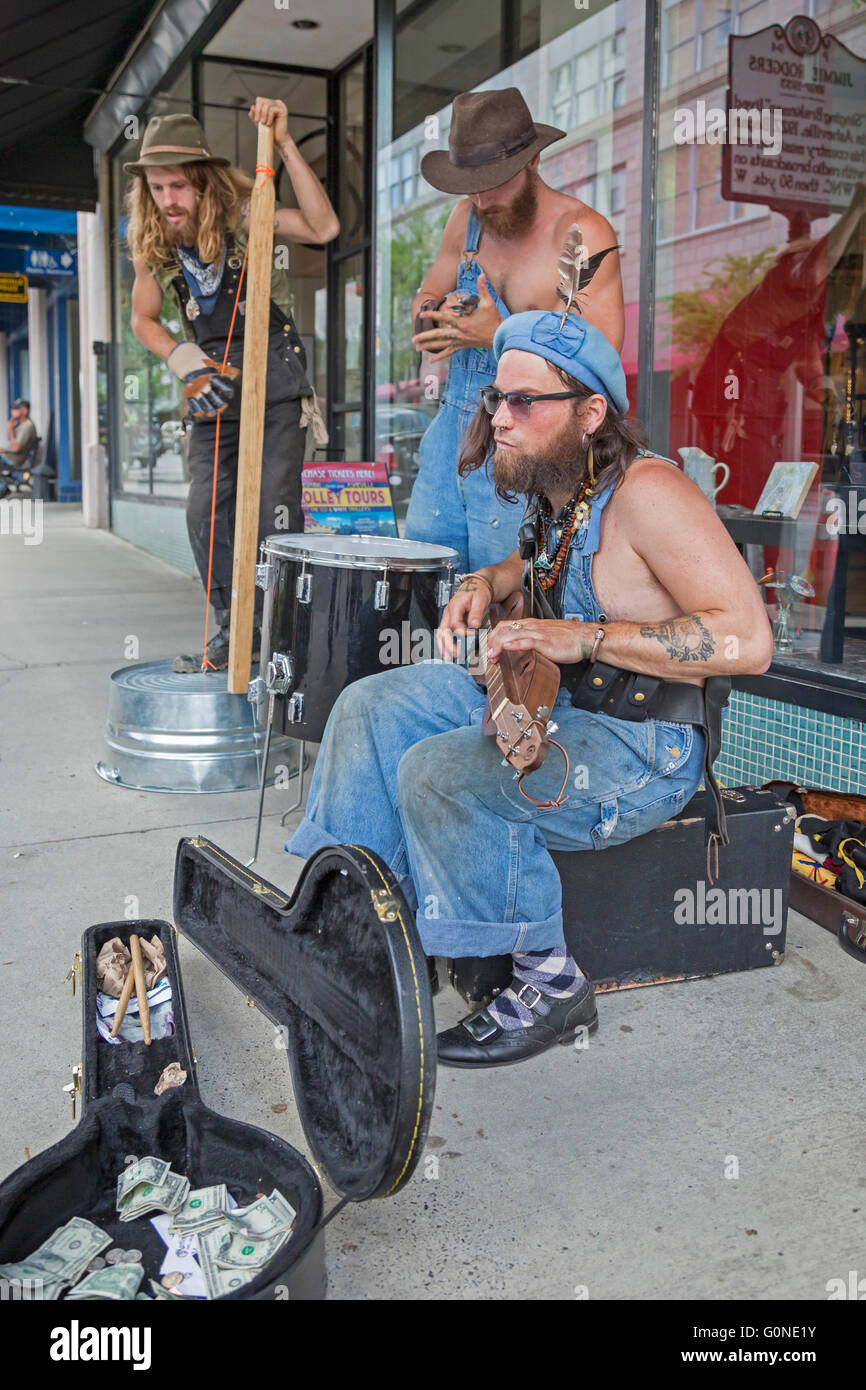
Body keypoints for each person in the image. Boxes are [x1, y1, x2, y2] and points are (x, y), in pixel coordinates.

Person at [286, 311, 773, 1068]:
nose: (500, 417)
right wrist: (485, 582)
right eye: (495, 400)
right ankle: (368, 929)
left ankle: (551, 985)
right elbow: (537, 569)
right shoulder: (561, 487)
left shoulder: (651, 493)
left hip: (643, 748)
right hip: (565, 709)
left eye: (524, 402)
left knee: (443, 774)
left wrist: (582, 637)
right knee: (370, 704)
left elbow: (748, 639)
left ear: (590, 412)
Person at [127, 102, 339, 672]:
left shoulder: (251, 213)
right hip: (211, 380)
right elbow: (142, 318)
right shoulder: (153, 240)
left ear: (204, 182)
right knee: (204, 511)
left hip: (274, 371)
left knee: (273, 511)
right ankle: (234, 629)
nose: (167, 199)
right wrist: (183, 359)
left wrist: (288, 143)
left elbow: (325, 227)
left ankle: (277, 631)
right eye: (156, 187)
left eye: (178, 186)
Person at [404, 88, 625, 573]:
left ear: (533, 161)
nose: (483, 198)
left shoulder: (580, 235)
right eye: (472, 184)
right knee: (422, 580)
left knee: (507, 594)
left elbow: (601, 358)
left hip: (528, 439)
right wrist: (437, 315)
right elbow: (422, 299)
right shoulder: (466, 220)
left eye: (495, 182)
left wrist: (498, 332)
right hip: (450, 435)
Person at [2, 398, 37, 469]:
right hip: (9, 457)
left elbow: (16, 448)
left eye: (16, 409)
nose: (12, 411)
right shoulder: (21, 425)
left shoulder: (27, 426)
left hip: (13, 460)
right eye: (13, 409)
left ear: (25, 411)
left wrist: (10, 430)